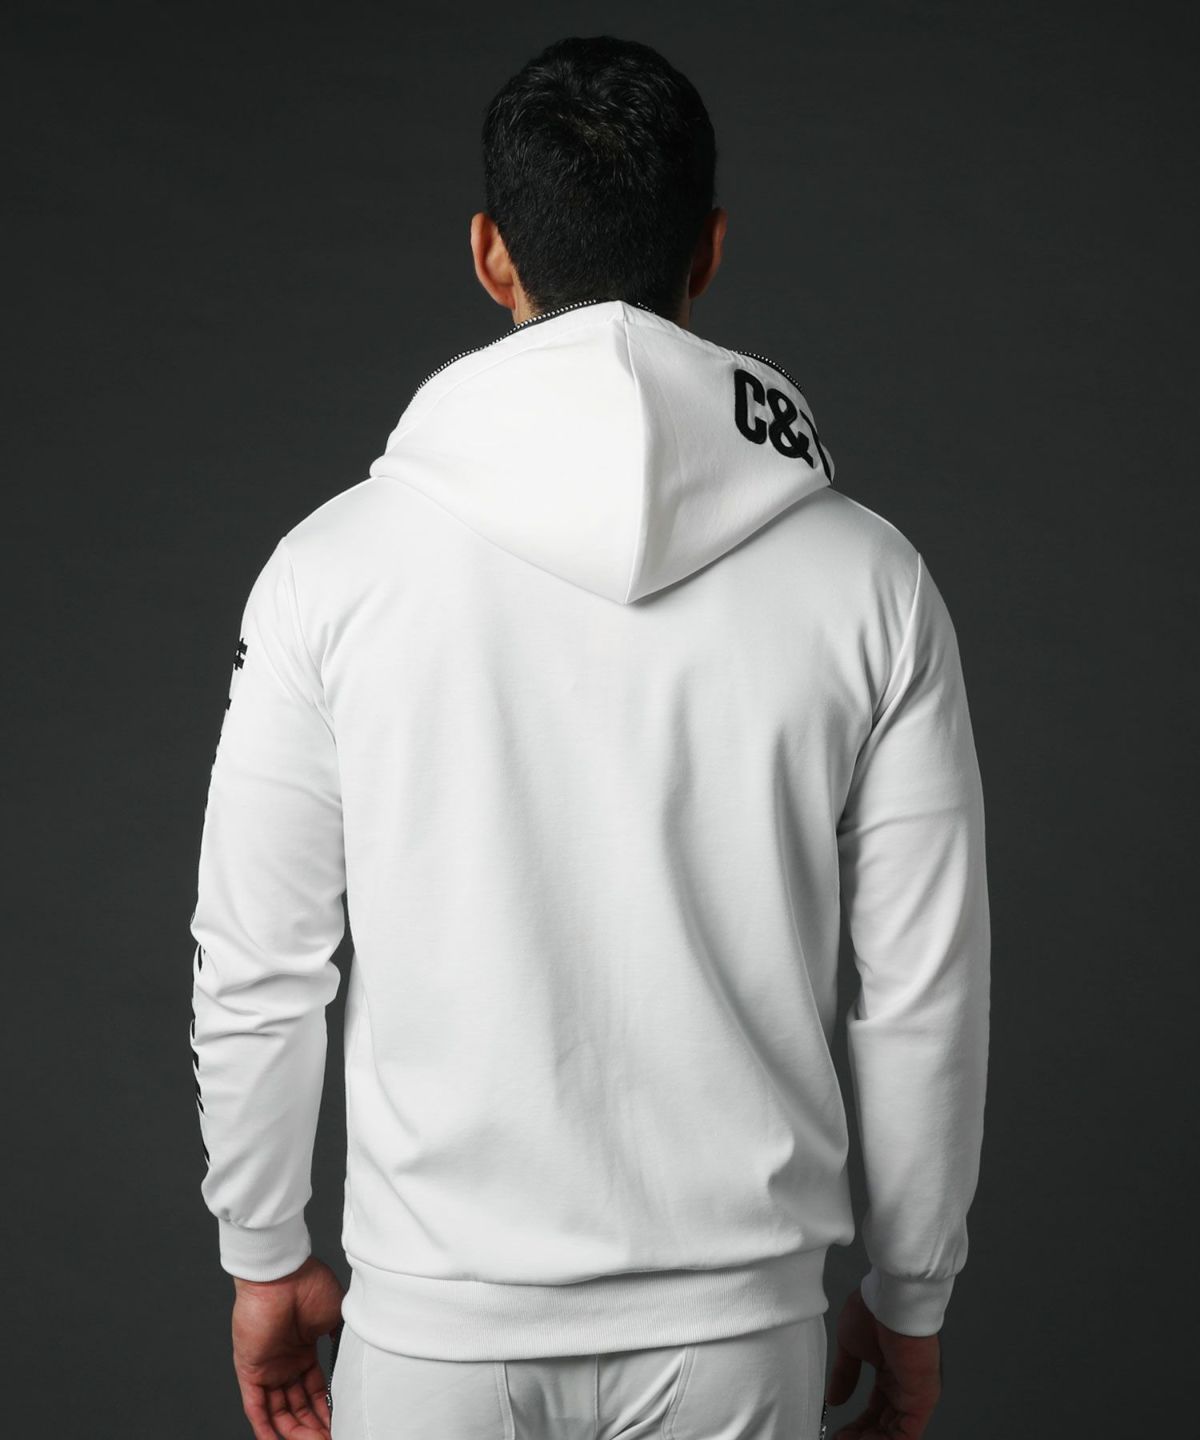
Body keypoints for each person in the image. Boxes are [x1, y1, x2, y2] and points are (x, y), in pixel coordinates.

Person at [188, 33, 990, 1440]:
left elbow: (261, 965)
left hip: (433, 1332)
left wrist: (263, 1250)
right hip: (741, 1332)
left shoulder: (331, 570)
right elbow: (925, 989)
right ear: (710, 251)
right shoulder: (871, 580)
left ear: (491, 255)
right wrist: (910, 1294)